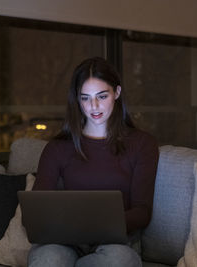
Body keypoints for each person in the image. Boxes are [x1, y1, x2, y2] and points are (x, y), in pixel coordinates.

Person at [28, 57, 159, 267]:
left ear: (116, 93)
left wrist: (99, 225)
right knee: (47, 259)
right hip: (65, 241)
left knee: (120, 262)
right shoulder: (57, 147)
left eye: (102, 96)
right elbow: (37, 209)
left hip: (116, 243)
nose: (94, 106)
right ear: (77, 100)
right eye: (85, 98)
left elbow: (142, 211)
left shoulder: (142, 144)